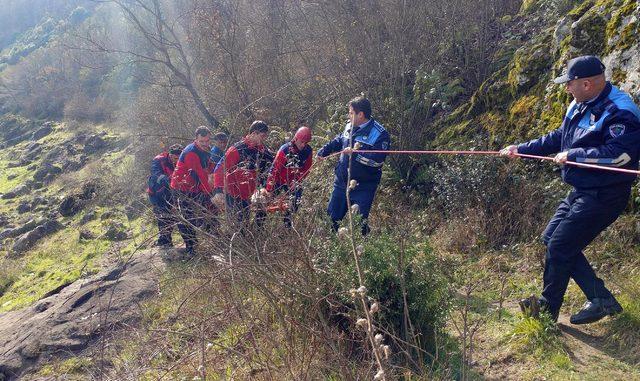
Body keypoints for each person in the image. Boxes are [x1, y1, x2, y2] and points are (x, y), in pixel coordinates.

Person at [500, 55, 640, 324]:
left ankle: (547, 312)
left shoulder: (621, 111)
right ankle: (602, 299)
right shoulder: (579, 103)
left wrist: (574, 155)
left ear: (587, 84)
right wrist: (522, 149)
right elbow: (558, 136)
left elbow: (619, 156)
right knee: (551, 239)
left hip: (606, 194)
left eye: (570, 83)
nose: (566, 88)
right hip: (581, 189)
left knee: (561, 245)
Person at [317, 96, 390, 235]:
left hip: (363, 187)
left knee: (358, 225)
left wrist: (356, 154)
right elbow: (340, 139)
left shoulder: (380, 134)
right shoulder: (349, 125)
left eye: (351, 112)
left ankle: (362, 250)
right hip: (341, 183)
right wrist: (325, 150)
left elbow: (377, 160)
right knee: (331, 221)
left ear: (360, 114)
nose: (348, 116)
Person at [212, 121, 272, 226]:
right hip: (233, 194)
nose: (264, 139)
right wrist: (218, 191)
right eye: (262, 136)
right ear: (254, 133)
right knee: (238, 226)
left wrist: (263, 187)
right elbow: (220, 169)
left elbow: (269, 168)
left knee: (247, 224)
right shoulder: (237, 149)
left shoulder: (261, 150)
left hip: (247, 194)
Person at [170, 126, 216, 256]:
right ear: (196, 139)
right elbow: (201, 176)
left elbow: (209, 167)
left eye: (207, 141)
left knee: (205, 213)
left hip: (194, 187)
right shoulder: (191, 153)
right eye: (202, 141)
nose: (205, 144)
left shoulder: (207, 150)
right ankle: (191, 248)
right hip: (181, 188)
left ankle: (210, 240)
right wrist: (211, 194)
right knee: (186, 218)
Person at [262, 126, 313, 227]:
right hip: (278, 180)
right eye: (302, 142)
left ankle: (287, 225)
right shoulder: (285, 149)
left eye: (306, 143)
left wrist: (297, 181)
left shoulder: (308, 151)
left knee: (296, 201)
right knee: (265, 203)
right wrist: (269, 189)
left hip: (293, 181)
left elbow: (306, 169)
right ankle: (259, 225)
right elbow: (274, 170)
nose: (303, 145)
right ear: (296, 139)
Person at [147, 144, 182, 247]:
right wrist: (171, 181)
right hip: (157, 193)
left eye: (179, 158)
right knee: (163, 216)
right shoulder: (158, 160)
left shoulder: (183, 158)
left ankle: (165, 239)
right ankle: (165, 241)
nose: (177, 160)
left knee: (176, 216)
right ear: (170, 155)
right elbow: (156, 174)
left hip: (173, 192)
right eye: (175, 158)